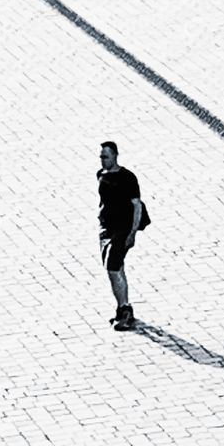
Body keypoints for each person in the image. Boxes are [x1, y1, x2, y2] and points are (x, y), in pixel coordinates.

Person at [97, 141, 148, 330]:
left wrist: (133, 232)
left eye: (106, 157)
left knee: (113, 266)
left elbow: (137, 205)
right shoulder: (100, 175)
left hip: (123, 229)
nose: (103, 160)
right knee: (115, 268)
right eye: (101, 157)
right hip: (106, 229)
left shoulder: (127, 178)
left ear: (115, 156)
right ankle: (123, 308)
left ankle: (125, 310)